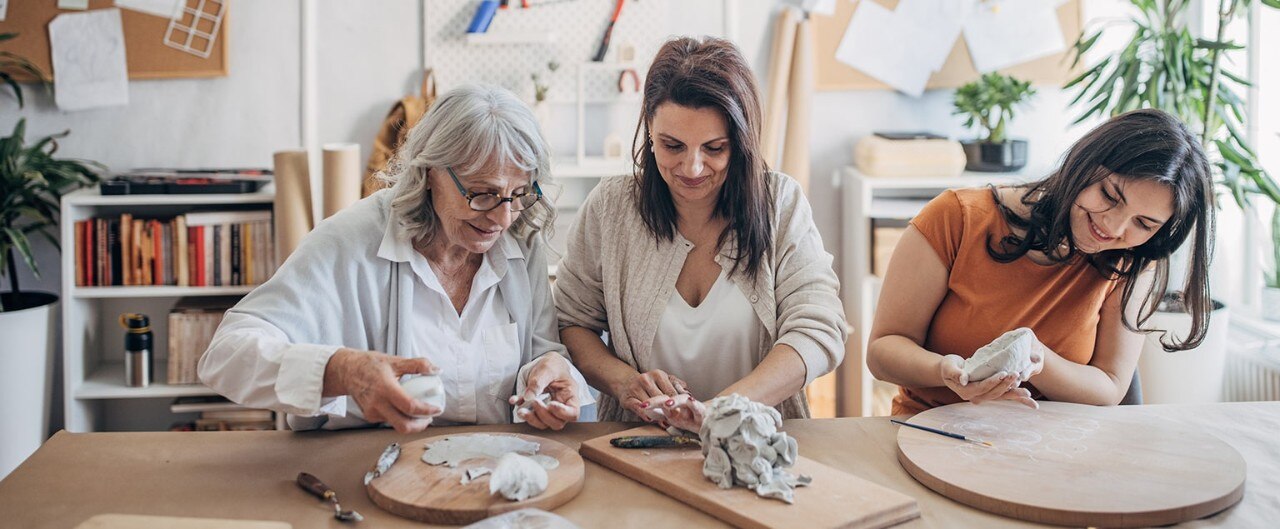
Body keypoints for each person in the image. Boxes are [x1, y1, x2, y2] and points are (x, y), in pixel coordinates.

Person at [199, 84, 592, 432]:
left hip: (490, 473)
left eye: (519, 193)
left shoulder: (519, 239)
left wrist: (552, 374)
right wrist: (340, 371)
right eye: (482, 194)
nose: (503, 217)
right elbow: (226, 354)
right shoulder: (350, 240)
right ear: (431, 171)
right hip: (364, 472)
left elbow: (542, 352)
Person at [553, 37, 847, 430]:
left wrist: (721, 410)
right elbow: (572, 322)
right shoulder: (611, 207)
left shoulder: (781, 203)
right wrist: (623, 382)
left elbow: (819, 329)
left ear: (741, 144)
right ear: (649, 133)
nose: (692, 168)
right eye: (672, 145)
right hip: (638, 443)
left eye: (714, 148)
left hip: (756, 439)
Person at [867, 109, 1215, 416]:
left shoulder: (1132, 262)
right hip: (932, 432)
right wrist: (943, 371)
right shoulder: (957, 218)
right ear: (1083, 162)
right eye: (1109, 196)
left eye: (1144, 223)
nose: (1113, 227)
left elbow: (1110, 386)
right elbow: (883, 351)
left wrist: (1039, 360)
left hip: (1050, 446)